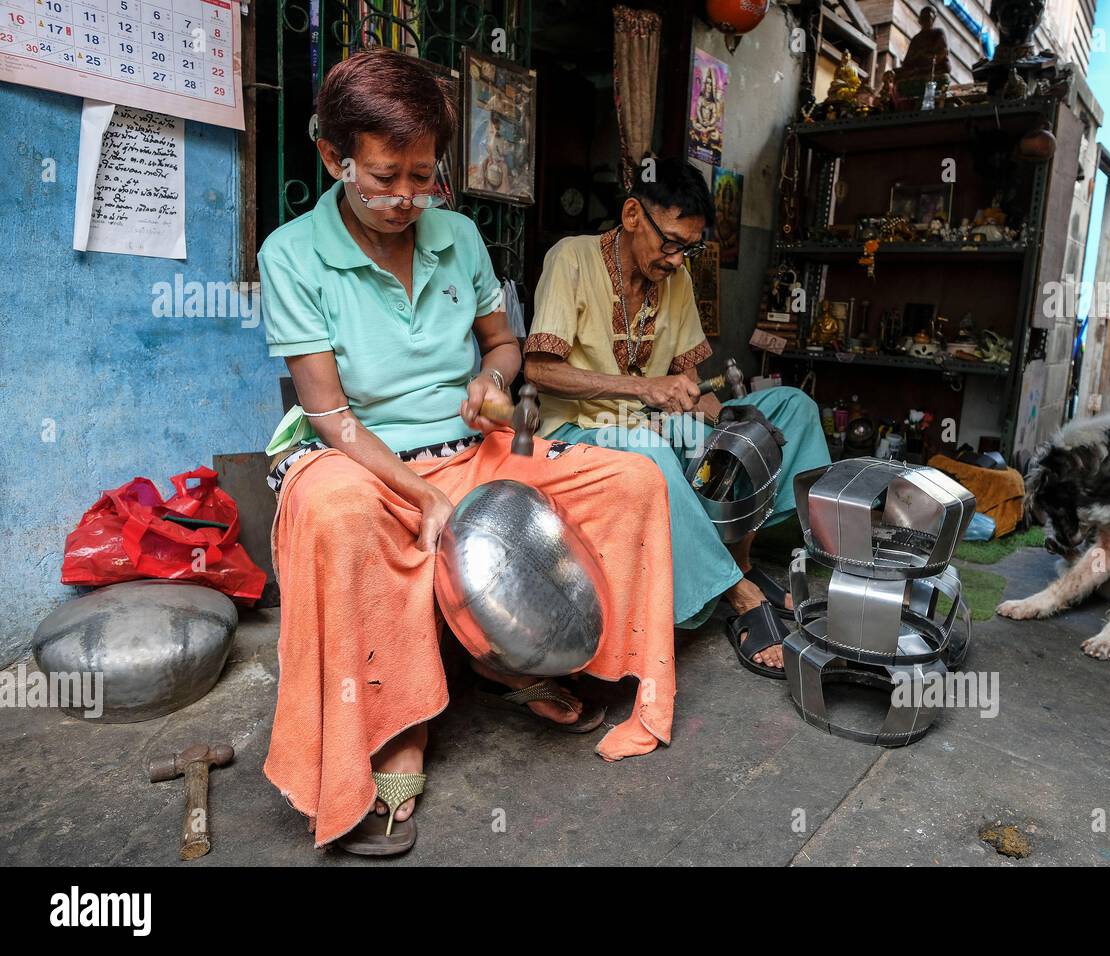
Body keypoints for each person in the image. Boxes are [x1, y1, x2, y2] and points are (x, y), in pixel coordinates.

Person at [257, 49, 677, 856]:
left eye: (424, 176)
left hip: (465, 442)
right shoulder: (292, 254)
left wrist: (490, 380)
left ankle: (530, 655)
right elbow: (331, 418)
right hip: (356, 458)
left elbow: (504, 344)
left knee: (632, 477)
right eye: (384, 176)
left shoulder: (457, 236)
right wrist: (426, 499)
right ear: (332, 158)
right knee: (339, 515)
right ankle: (392, 725)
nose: (406, 198)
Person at [523, 158, 832, 679]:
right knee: (651, 452)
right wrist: (643, 387)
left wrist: (733, 417)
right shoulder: (571, 260)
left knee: (789, 410)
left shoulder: (677, 278)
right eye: (668, 242)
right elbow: (538, 369)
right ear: (631, 214)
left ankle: (737, 557)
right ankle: (738, 595)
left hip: (659, 423)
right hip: (580, 432)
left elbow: (690, 381)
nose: (675, 259)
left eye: (687, 247)